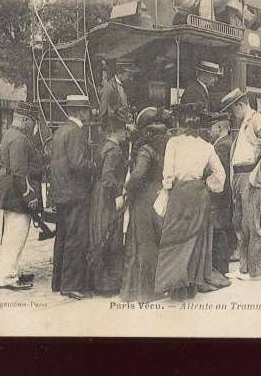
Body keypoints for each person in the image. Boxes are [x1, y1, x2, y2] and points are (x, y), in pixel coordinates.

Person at [154, 106, 226, 300]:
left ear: (181, 123)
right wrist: (207, 186)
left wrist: (167, 190)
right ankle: (191, 285)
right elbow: (220, 175)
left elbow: (168, 174)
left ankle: (175, 286)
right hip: (199, 194)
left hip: (180, 193)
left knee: (174, 238)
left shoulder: (173, 143)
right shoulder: (207, 146)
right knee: (196, 239)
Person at [218, 88, 261, 281]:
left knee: (251, 223)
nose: (233, 115)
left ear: (240, 105)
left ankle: (257, 270)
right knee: (240, 223)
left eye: (233, 110)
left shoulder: (256, 119)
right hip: (240, 177)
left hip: (249, 177)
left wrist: (255, 155)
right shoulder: (244, 122)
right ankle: (244, 269)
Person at [120, 108, 170, 303]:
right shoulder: (166, 146)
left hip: (144, 198)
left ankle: (139, 292)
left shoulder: (145, 149)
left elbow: (139, 174)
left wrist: (127, 189)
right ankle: (152, 289)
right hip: (160, 195)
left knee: (141, 243)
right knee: (154, 242)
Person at [50, 97, 97, 300]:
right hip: (75, 194)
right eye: (87, 111)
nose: (89, 116)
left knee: (61, 237)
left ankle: (58, 281)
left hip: (60, 193)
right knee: (76, 239)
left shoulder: (60, 131)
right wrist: (95, 166)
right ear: (81, 112)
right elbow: (78, 163)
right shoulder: (76, 133)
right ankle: (70, 285)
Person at [0, 101, 42, 291]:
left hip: (11, 192)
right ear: (26, 120)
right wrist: (30, 196)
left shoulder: (9, 134)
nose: (33, 125)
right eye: (32, 121)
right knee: (16, 236)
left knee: (10, 236)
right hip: (18, 195)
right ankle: (8, 278)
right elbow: (20, 173)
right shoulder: (20, 139)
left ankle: (11, 272)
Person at [87, 117, 129, 296]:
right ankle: (108, 284)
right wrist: (118, 195)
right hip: (108, 197)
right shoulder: (116, 150)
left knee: (98, 233)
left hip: (98, 194)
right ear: (116, 132)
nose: (126, 135)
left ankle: (96, 280)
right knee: (110, 234)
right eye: (123, 131)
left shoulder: (102, 146)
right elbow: (108, 176)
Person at [207, 113, 236, 277]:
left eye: (212, 127)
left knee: (219, 228)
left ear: (219, 127)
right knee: (223, 227)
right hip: (226, 196)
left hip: (220, 195)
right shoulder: (227, 143)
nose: (209, 131)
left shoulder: (221, 147)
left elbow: (220, 175)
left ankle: (220, 267)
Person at [98, 59, 140, 125]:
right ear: (120, 74)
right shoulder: (109, 88)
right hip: (113, 131)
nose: (131, 78)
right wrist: (125, 125)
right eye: (129, 75)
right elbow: (104, 114)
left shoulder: (124, 85)